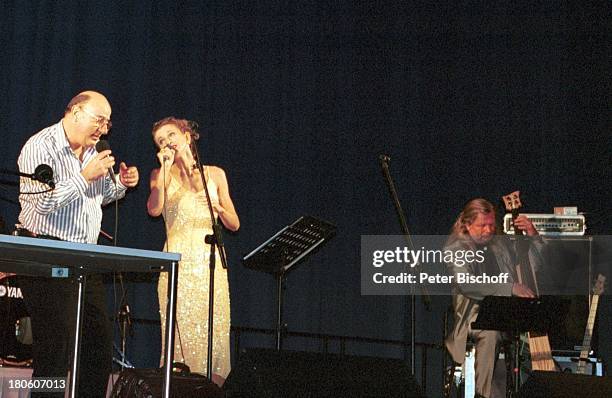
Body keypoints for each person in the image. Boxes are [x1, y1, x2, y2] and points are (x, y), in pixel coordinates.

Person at [17, 90, 139, 397]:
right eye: (99, 120)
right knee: (55, 350)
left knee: (98, 349)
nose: (103, 128)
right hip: (46, 257)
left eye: (108, 123)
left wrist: (121, 184)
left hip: (85, 260)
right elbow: (40, 204)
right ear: (75, 113)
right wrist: (84, 177)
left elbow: (98, 197)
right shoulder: (41, 146)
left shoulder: (92, 152)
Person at [146, 117, 239, 387]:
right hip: (178, 263)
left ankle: (211, 391)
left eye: (171, 135)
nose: (167, 142)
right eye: (161, 141)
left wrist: (220, 211)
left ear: (187, 137)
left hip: (210, 261)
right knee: (178, 337)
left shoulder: (216, 174)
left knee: (214, 336)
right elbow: (153, 209)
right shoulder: (159, 175)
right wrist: (163, 170)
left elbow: (235, 223)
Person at [444, 198, 543, 398]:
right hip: (474, 319)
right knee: (490, 333)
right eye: (482, 225)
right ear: (467, 224)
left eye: (491, 224)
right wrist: (509, 288)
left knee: (537, 328)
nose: (488, 230)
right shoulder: (455, 249)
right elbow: (467, 285)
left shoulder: (500, 246)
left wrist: (533, 236)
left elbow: (531, 267)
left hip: (505, 315)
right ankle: (483, 394)